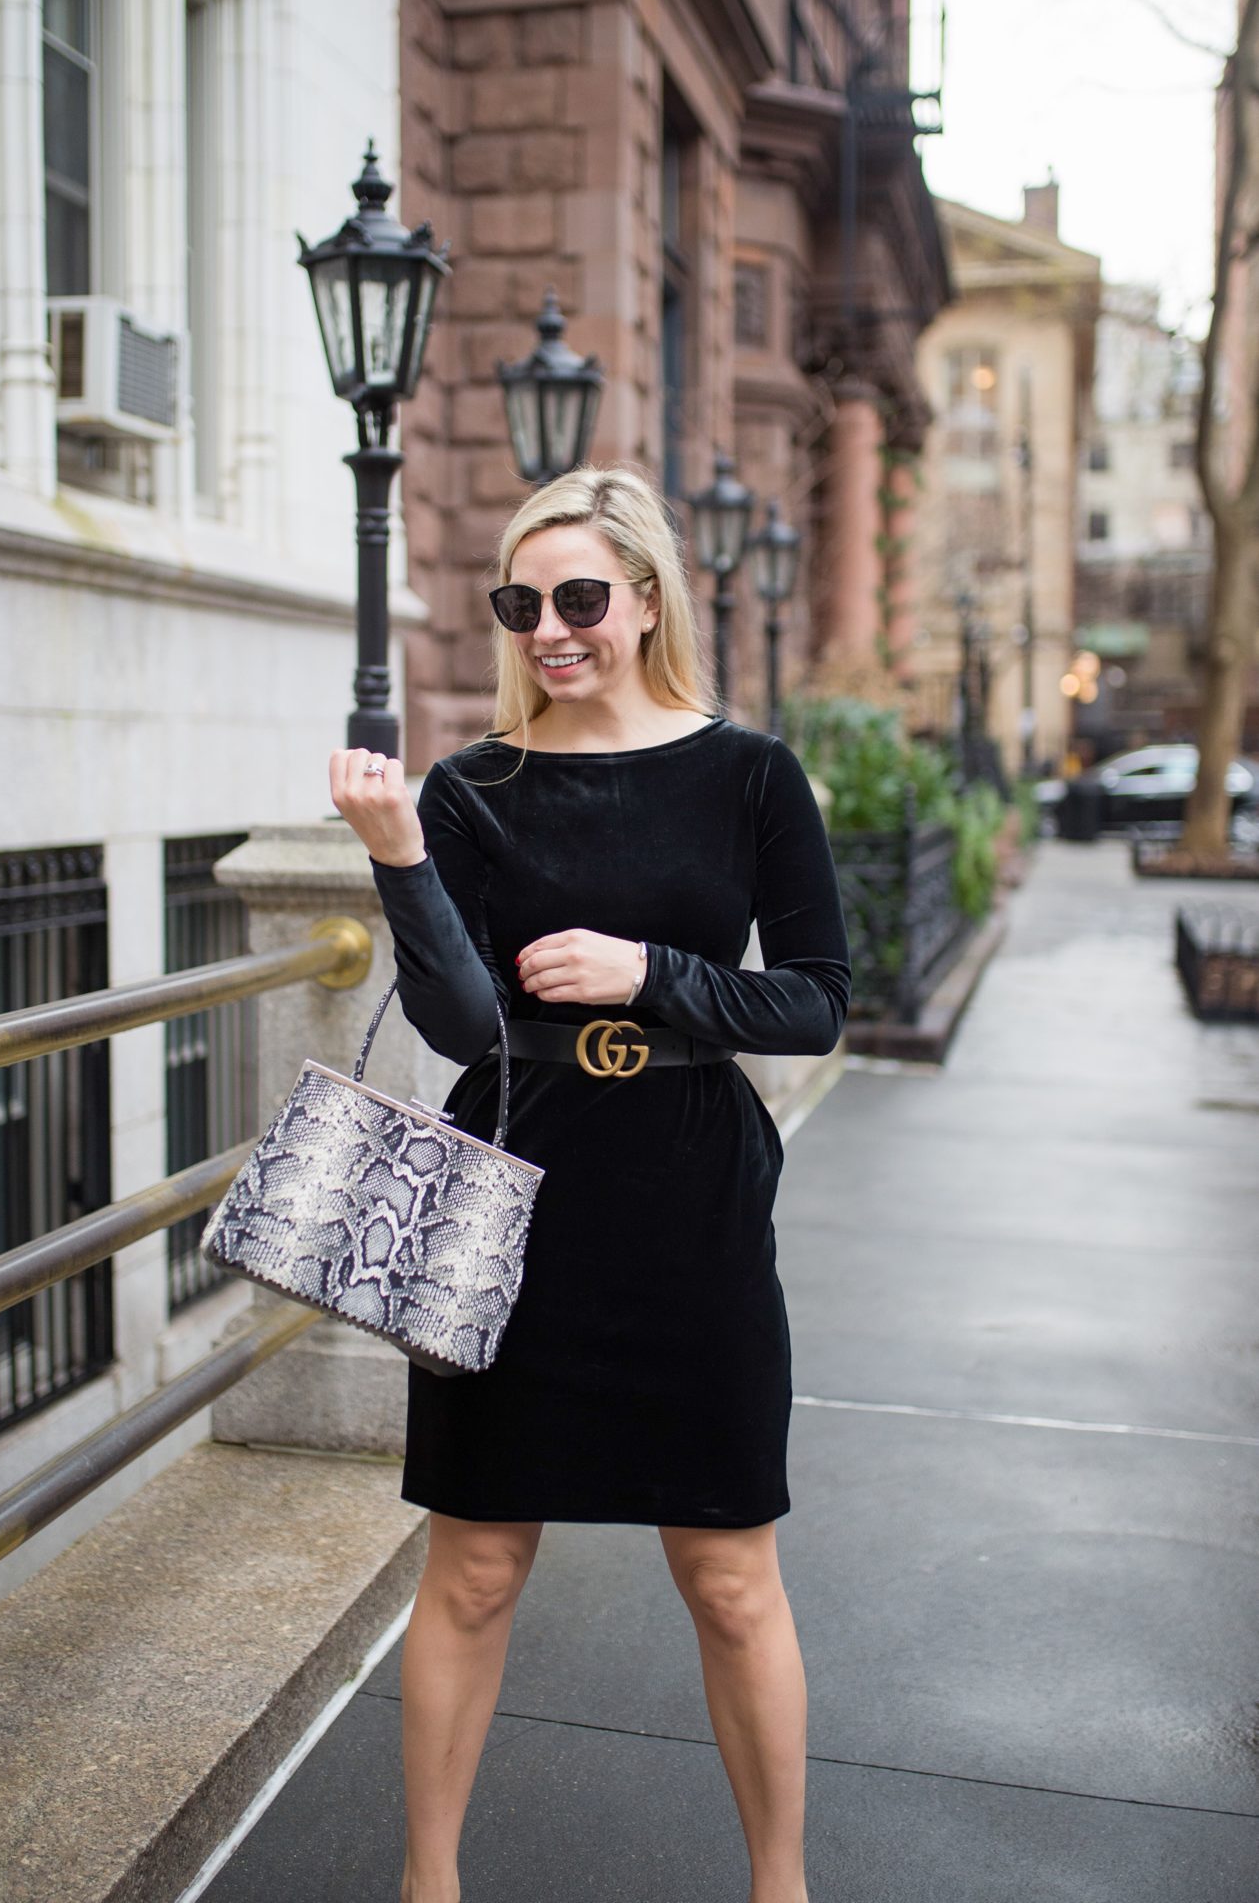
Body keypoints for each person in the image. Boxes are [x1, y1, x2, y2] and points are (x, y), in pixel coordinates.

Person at [328, 464, 851, 1903]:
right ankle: (428, 1885)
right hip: (515, 1187)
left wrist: (654, 975)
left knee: (730, 1577)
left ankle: (779, 1886)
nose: (549, 630)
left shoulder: (749, 773)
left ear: (646, 600)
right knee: (478, 1566)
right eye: (521, 602)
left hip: (689, 1199)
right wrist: (399, 862)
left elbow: (814, 1001)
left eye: (578, 599)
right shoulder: (472, 787)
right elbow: (455, 1022)